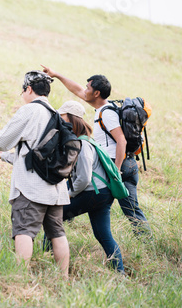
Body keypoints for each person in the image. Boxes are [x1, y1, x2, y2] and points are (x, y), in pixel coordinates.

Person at [0, 70, 70, 277]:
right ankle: (64, 278)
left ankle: (20, 277)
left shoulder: (30, 111)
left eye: (23, 90)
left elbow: (3, 140)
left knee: (24, 230)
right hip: (55, 189)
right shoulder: (56, 114)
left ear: (29, 89)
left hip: (31, 186)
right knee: (57, 233)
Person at [41, 65, 152, 237]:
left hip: (118, 165)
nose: (84, 90)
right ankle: (148, 242)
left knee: (75, 194)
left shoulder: (106, 114)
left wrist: (115, 169)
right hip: (128, 164)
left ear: (97, 93)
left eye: (88, 88)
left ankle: (55, 233)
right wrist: (56, 75)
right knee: (132, 211)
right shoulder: (104, 108)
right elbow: (76, 89)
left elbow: (121, 140)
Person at [43, 101, 125, 273]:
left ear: (72, 120)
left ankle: (46, 260)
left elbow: (84, 178)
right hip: (104, 194)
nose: (59, 120)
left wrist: (69, 194)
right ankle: (120, 273)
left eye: (62, 117)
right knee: (103, 235)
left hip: (92, 193)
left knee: (52, 220)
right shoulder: (89, 141)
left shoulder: (82, 145)